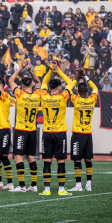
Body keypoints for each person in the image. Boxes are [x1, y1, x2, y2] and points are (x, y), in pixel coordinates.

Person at [39, 61, 78, 196]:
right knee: (61, 161)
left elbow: (43, 82)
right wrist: (58, 70)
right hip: (60, 133)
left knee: (47, 162)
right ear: (60, 88)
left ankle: (47, 190)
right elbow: (71, 83)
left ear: (49, 88)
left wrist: (50, 70)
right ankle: (61, 190)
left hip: (47, 133)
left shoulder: (44, 96)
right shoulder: (63, 97)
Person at [8, 61, 41, 193]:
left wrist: (21, 68)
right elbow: (38, 82)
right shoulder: (37, 94)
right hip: (33, 131)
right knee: (31, 157)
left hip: (21, 130)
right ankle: (33, 185)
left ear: (22, 86)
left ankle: (21, 186)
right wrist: (30, 71)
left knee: (18, 157)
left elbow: (11, 80)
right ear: (32, 85)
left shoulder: (20, 95)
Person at [68, 68, 97, 192]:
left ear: (78, 91)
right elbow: (96, 89)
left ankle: (78, 185)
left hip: (78, 134)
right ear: (88, 91)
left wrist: (76, 78)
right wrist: (86, 77)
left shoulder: (76, 100)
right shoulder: (92, 100)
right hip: (88, 134)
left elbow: (68, 90)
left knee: (77, 160)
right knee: (88, 160)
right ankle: (89, 185)